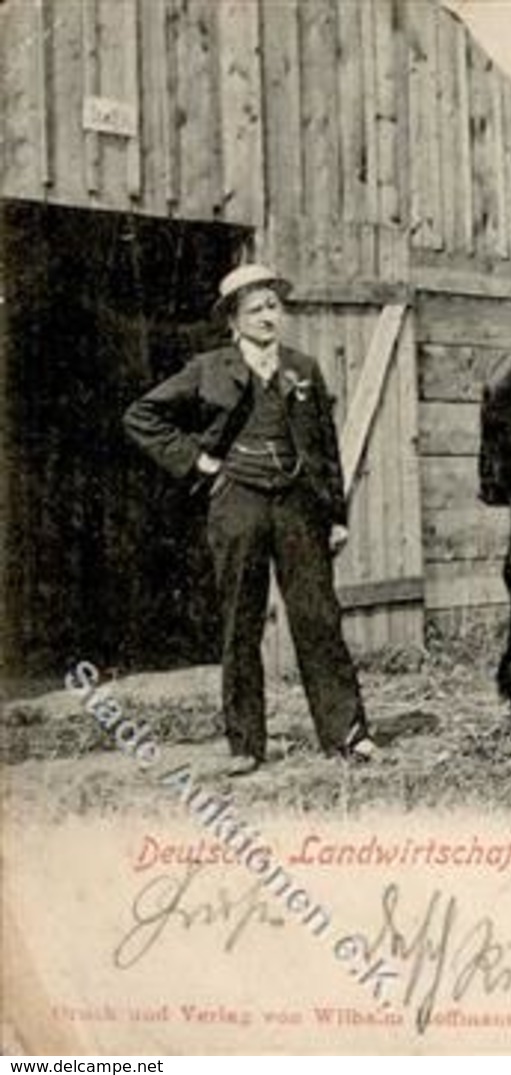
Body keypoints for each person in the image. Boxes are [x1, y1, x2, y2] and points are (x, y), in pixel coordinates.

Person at [124, 264, 377, 776]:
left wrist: (336, 515)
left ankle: (348, 736)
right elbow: (141, 416)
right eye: (256, 309)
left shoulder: (301, 368)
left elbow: (325, 448)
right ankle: (245, 745)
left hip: (298, 507)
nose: (268, 316)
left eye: (273, 307)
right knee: (240, 621)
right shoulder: (209, 368)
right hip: (237, 503)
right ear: (234, 321)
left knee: (318, 618)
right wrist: (197, 460)